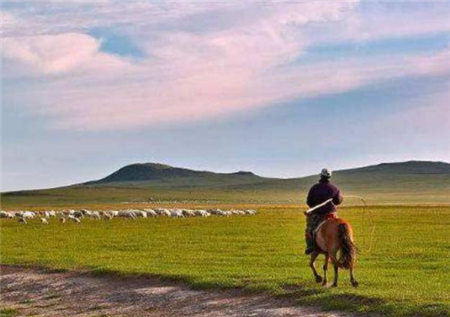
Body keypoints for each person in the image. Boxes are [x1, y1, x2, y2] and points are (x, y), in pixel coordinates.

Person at [304, 168, 343, 255]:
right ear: (330, 177)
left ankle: (310, 246)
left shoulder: (314, 188)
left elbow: (309, 202)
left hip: (318, 215)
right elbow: (338, 201)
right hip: (331, 214)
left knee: (309, 230)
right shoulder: (335, 189)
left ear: (321, 175)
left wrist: (315, 205)